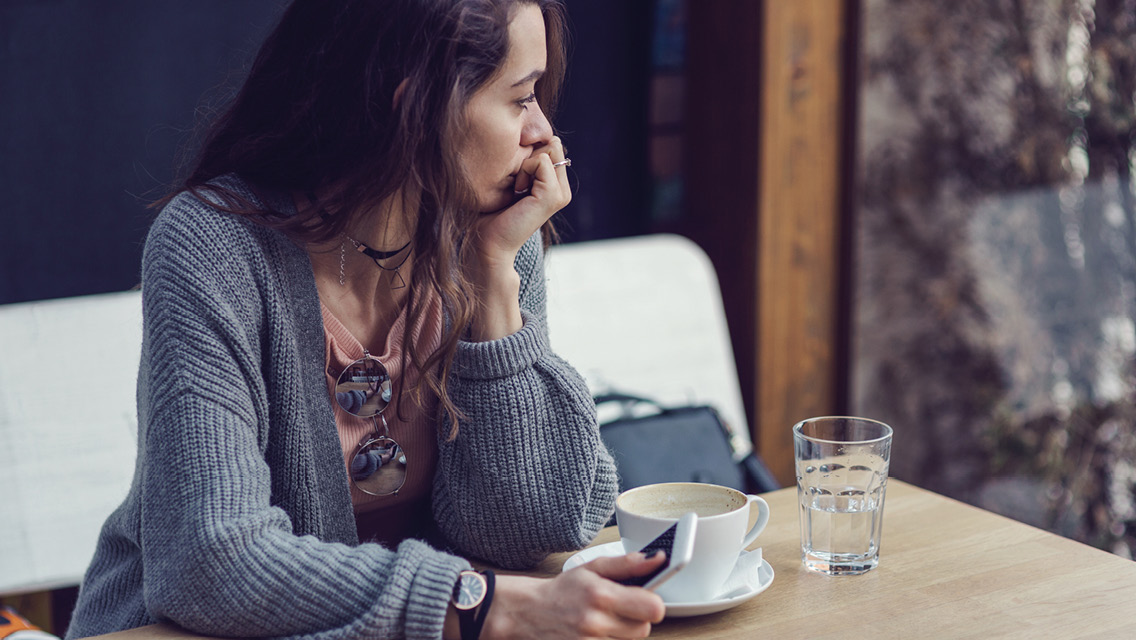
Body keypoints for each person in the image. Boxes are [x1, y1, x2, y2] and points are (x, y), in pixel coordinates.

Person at [64, 1, 667, 639]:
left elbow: (528, 528)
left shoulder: (491, 235)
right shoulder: (212, 247)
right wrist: (479, 606)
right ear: (414, 112)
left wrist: (493, 279)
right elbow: (209, 562)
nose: (543, 132)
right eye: (520, 99)